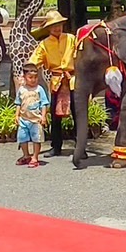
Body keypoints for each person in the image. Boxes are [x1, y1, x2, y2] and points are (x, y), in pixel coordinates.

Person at [28, 10, 75, 158]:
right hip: (56, 82)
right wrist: (28, 74)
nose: (57, 28)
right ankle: (56, 146)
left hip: (73, 80)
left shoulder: (72, 39)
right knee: (55, 117)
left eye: (59, 24)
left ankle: (81, 147)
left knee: (79, 114)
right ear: (48, 28)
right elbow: (34, 61)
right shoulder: (44, 45)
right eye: (53, 25)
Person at [15, 64, 50, 167]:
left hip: (36, 120)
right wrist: (17, 115)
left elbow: (44, 104)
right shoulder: (21, 90)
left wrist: (43, 116)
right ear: (24, 77)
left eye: (35, 77)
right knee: (22, 138)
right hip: (24, 119)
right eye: (30, 77)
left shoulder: (39, 89)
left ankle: (35, 157)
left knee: (36, 139)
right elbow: (18, 103)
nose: (33, 80)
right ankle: (26, 155)